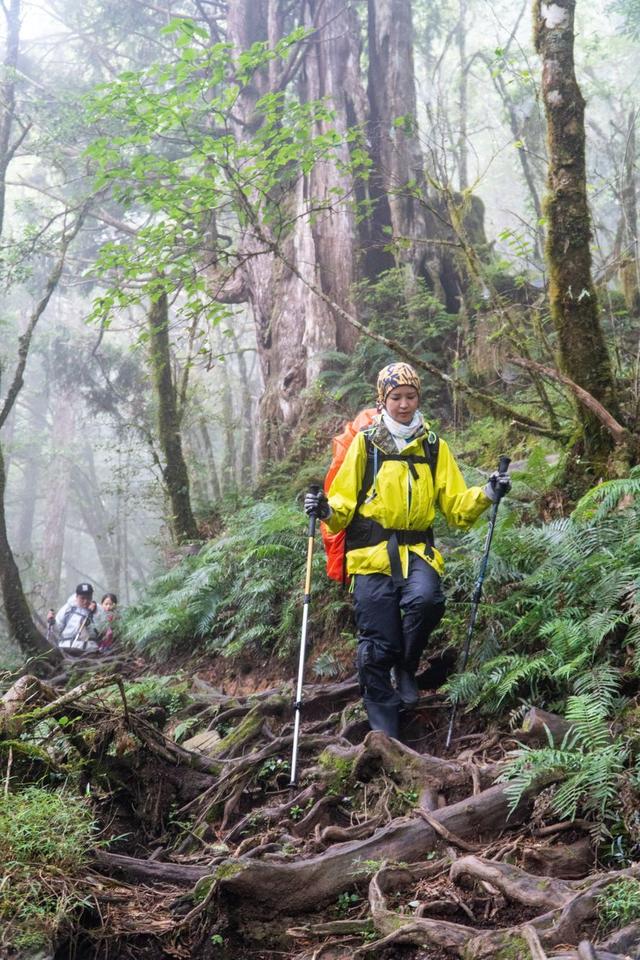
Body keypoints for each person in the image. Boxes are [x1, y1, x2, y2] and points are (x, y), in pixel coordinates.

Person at [304, 361, 511, 739]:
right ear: (382, 400)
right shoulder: (365, 445)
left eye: (410, 396)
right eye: (395, 397)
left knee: (428, 601)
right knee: (376, 643)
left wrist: (487, 492)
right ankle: (386, 733)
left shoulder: (433, 446)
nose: (403, 404)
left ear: (419, 398)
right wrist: (325, 510)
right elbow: (343, 505)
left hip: (417, 551)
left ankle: (407, 666)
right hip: (369, 555)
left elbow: (455, 505)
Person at [54, 582, 107, 656]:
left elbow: (103, 631)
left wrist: (92, 619)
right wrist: (52, 621)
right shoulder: (68, 608)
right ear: (76, 596)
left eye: (88, 598)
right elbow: (57, 628)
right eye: (82, 598)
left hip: (90, 650)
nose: (85, 601)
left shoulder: (98, 610)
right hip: (65, 648)